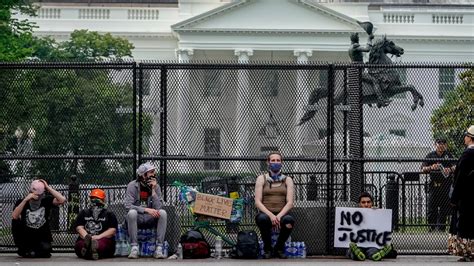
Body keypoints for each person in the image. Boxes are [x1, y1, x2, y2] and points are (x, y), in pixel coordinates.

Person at [255, 151, 295, 259]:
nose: (275, 162)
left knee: (289, 221)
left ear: (282, 163)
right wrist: (271, 216)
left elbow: (290, 203)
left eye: (278, 160)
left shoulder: (288, 180)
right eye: (273, 160)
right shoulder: (261, 179)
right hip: (266, 213)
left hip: (282, 213)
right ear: (268, 162)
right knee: (262, 219)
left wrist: (278, 217)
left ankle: (279, 248)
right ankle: (267, 249)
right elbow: (257, 202)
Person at [11, 179, 66, 258]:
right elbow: (14, 216)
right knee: (15, 222)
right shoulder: (22, 201)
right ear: (30, 191)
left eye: (39, 194)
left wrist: (48, 187)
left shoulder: (45, 200)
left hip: (42, 236)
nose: (37, 196)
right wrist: (26, 200)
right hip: (27, 236)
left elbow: (62, 200)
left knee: (46, 249)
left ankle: (33, 252)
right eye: (34, 194)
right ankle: (28, 250)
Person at [125, 162, 167, 259]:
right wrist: (145, 210)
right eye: (151, 172)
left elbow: (159, 207)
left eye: (154, 172)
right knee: (131, 213)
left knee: (163, 213)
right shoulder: (132, 186)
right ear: (143, 175)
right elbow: (128, 206)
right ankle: (134, 248)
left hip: (150, 218)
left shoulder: (156, 187)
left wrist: (153, 191)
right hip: (138, 217)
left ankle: (159, 249)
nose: (153, 174)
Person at [450, 125, 474, 262]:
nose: (464, 138)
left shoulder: (467, 154)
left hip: (465, 195)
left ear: (470, 138)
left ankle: (467, 252)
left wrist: (454, 197)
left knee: (464, 223)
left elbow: (460, 178)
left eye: (466, 136)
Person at [347, 192, 394, 261]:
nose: (366, 204)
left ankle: (377, 256)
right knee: (351, 250)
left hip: (372, 244)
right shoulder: (353, 215)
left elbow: (388, 229)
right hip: (358, 244)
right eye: (363, 202)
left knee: (373, 251)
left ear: (372, 203)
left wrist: (378, 214)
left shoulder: (378, 214)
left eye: (368, 202)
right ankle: (357, 254)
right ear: (359, 204)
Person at [421, 138, 455, 231]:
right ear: (435, 144)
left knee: (444, 208)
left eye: (443, 143)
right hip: (434, 185)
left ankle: (441, 228)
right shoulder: (430, 155)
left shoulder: (448, 155)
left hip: (445, 185)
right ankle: (431, 227)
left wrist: (450, 169)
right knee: (432, 208)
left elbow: (455, 166)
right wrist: (431, 167)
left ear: (446, 145)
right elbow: (422, 169)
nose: (441, 145)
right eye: (439, 143)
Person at [74, 189, 118, 260]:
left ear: (103, 200)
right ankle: (88, 248)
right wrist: (87, 237)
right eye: (92, 198)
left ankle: (93, 248)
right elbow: (79, 228)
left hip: (102, 239)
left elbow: (112, 230)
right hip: (86, 238)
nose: (94, 201)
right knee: (80, 244)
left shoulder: (109, 214)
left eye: (97, 199)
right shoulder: (84, 213)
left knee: (102, 243)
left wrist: (98, 237)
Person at [348, 32, 388, 108]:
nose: (359, 38)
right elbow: (367, 49)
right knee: (374, 80)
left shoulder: (351, 47)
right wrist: (369, 39)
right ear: (355, 38)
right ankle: (380, 99)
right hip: (358, 71)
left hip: (356, 70)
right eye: (358, 37)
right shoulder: (355, 46)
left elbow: (357, 60)